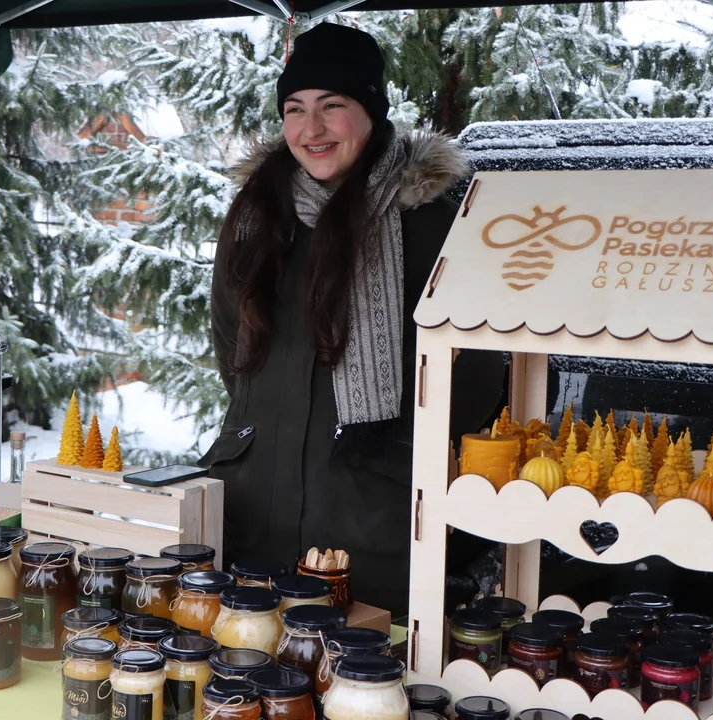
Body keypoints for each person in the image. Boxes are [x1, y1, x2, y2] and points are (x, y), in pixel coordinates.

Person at [200, 23, 504, 616]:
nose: (310, 129)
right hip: (254, 510)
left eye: (331, 106)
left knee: (362, 686)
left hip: (372, 521)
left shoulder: (433, 225)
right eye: (294, 109)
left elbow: (474, 380)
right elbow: (232, 348)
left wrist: (392, 451)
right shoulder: (256, 217)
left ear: (371, 111)